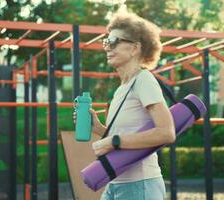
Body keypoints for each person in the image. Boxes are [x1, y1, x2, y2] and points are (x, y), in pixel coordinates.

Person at [74, 11, 175, 200]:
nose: (107, 48)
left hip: (140, 185)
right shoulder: (122, 89)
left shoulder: (143, 80)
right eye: (106, 42)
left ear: (135, 48)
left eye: (114, 41)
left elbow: (166, 132)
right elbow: (123, 137)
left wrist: (114, 141)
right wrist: (99, 128)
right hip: (115, 181)